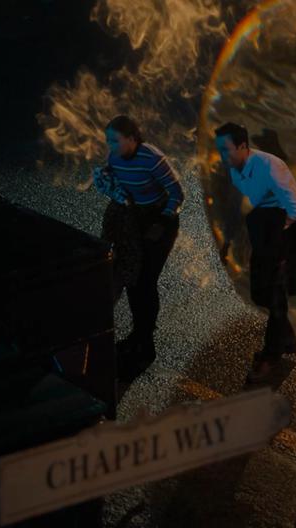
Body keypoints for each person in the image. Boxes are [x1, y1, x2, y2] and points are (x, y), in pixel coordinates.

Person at [214, 122, 296, 383]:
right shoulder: (235, 169)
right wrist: (229, 240)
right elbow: (238, 204)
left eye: (226, 150)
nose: (222, 156)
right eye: (220, 151)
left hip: (291, 224)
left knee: (275, 289)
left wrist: (280, 232)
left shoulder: (271, 167)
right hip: (267, 220)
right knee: (260, 290)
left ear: (243, 146)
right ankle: (286, 336)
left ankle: (272, 355)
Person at [93, 115, 184, 381]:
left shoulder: (152, 158)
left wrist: (162, 221)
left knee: (145, 280)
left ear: (133, 139)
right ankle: (139, 334)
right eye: (108, 140)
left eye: (115, 140)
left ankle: (146, 343)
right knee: (132, 279)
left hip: (160, 219)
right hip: (135, 219)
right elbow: (118, 184)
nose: (110, 145)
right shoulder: (114, 158)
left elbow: (177, 193)